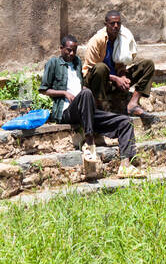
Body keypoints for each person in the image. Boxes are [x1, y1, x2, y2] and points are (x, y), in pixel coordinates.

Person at [39, 35, 145, 181]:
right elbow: (44, 89)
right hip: (66, 111)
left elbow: (80, 85)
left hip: (85, 110)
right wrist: (64, 93)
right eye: (68, 50)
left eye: (74, 51)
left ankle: (125, 165)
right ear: (61, 48)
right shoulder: (53, 63)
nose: (71, 54)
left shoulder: (76, 62)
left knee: (125, 121)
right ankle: (89, 142)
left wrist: (85, 97)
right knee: (87, 93)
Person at [82, 10, 155, 117]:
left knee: (148, 64)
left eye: (118, 23)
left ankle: (133, 104)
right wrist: (116, 79)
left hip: (115, 82)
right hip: (98, 82)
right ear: (106, 24)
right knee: (101, 67)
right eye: (112, 23)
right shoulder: (97, 40)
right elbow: (90, 69)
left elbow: (121, 63)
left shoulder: (122, 38)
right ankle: (100, 106)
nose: (116, 26)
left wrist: (123, 76)